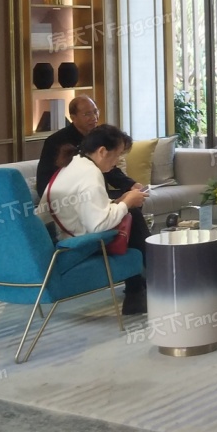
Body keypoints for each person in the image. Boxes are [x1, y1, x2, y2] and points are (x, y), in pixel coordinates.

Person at [35, 96, 153, 311]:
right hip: (70, 244)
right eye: (116, 156)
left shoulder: (77, 161)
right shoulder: (89, 173)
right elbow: (98, 225)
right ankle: (150, 281)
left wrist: (119, 200)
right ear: (101, 151)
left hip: (57, 232)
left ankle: (143, 285)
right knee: (132, 216)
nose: (116, 163)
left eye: (95, 112)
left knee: (129, 211)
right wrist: (126, 203)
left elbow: (88, 205)